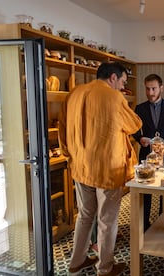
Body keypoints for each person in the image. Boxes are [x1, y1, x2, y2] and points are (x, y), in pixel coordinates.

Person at [59, 62, 142, 276]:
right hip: (107, 169)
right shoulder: (113, 97)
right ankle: (105, 268)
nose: (122, 87)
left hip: (80, 167)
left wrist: (70, 156)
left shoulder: (75, 93)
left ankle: (76, 262)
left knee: (85, 215)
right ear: (113, 77)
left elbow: (62, 128)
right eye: (123, 82)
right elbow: (134, 124)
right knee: (106, 221)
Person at [132, 73, 164, 230]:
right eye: (147, 89)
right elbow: (133, 128)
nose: (150, 93)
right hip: (147, 154)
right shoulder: (139, 108)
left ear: (161, 88)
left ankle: (162, 222)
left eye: (153, 88)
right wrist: (140, 138)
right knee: (146, 190)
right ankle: (144, 224)